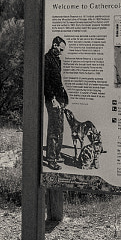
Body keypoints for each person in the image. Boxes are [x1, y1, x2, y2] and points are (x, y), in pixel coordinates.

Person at [43, 36, 69, 170]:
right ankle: (51, 159)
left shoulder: (56, 60)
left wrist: (63, 99)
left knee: (60, 129)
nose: (61, 52)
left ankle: (57, 154)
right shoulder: (46, 59)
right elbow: (46, 82)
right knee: (54, 130)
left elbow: (58, 81)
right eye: (60, 49)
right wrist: (52, 99)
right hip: (53, 100)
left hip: (60, 99)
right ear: (54, 45)